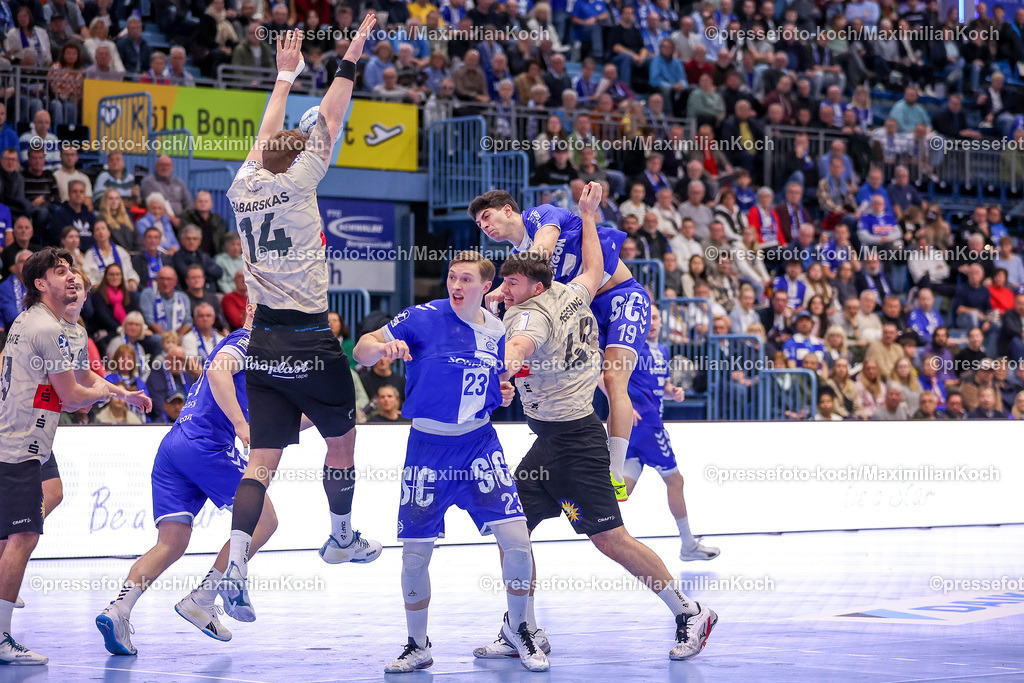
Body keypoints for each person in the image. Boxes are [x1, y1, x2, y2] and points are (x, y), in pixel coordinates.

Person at [476, 182, 717, 663]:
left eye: (511, 284)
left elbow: (518, 348)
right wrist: (587, 216)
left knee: (611, 540)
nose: (504, 290)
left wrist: (498, 369)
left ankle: (689, 610)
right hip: (547, 441)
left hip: (578, 440)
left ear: (533, 286)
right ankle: (521, 626)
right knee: (511, 529)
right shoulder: (571, 294)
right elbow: (591, 267)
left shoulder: (531, 318)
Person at [218, 22, 383, 623]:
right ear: (300, 160)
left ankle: (235, 566)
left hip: (262, 342)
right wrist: (350, 55)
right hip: (311, 337)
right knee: (343, 440)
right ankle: (340, 533)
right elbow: (333, 114)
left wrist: (285, 76)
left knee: (262, 462)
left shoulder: (242, 187)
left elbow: (267, 135)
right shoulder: (299, 182)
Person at [354, 251, 545, 672]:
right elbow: (361, 350)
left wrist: (502, 394)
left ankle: (520, 628)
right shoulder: (423, 317)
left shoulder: (496, 331)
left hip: (479, 445)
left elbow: (492, 385)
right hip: (427, 448)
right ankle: (417, 645)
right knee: (415, 556)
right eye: (452, 278)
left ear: (484, 288)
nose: (456, 286)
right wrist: (383, 346)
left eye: (466, 280)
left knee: (517, 541)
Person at [96, 303, 282, 655]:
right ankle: (204, 596)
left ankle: (118, 609)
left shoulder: (262, 359)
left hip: (174, 445)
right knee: (265, 520)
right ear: (253, 309)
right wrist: (242, 427)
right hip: (206, 446)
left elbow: (281, 421)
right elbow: (216, 373)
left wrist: (323, 420)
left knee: (172, 541)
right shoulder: (245, 340)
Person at [471, 188, 650, 503]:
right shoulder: (518, 258)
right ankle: (568, 454)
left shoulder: (541, 216)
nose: (484, 226)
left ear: (508, 210)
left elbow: (540, 253)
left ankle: (616, 474)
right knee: (574, 376)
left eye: (487, 216)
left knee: (613, 379)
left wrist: (504, 286)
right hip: (583, 305)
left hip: (621, 296)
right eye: (479, 224)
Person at [0, 248, 116, 664]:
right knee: (24, 535)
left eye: (72, 271)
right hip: (18, 444)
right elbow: (73, 398)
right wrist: (102, 393)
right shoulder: (48, 329)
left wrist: (121, 393)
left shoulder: (46, 323)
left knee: (51, 496)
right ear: (39, 284)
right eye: (58, 271)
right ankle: (0, 636)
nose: (70, 277)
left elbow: (79, 381)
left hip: (32, 439)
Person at [623, 305, 719, 559]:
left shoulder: (663, 351)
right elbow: (605, 377)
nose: (651, 322)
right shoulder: (632, 349)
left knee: (622, 490)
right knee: (675, 481)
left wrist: (672, 391)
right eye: (647, 318)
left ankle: (576, 502)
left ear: (662, 323)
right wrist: (624, 405)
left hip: (639, 428)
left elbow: (660, 383)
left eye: (655, 318)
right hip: (647, 424)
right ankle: (688, 545)